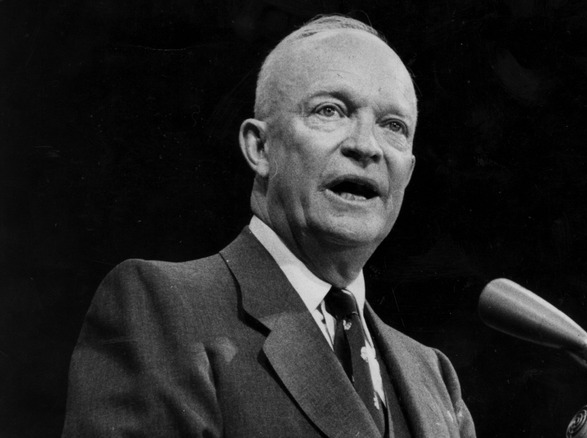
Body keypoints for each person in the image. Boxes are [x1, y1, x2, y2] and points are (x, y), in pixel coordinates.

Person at [62, 15, 475, 438]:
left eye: (393, 126)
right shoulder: (163, 307)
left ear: (408, 171)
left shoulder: (434, 377)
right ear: (260, 148)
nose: (366, 146)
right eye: (330, 110)